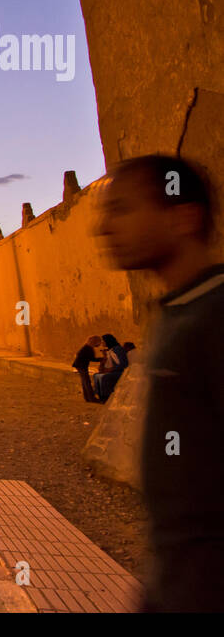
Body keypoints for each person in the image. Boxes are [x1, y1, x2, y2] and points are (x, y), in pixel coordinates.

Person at [94, 154, 223, 613]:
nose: (104, 229)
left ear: (183, 218)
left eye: (123, 209)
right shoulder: (178, 312)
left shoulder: (214, 316)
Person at [93, 334, 135, 403]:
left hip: (120, 371)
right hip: (114, 370)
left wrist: (110, 369)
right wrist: (104, 357)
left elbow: (123, 364)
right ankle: (100, 396)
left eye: (103, 341)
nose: (102, 343)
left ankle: (106, 397)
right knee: (96, 375)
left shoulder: (118, 349)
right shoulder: (110, 350)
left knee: (104, 377)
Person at [72, 335, 104, 403]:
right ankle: (92, 398)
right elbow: (92, 359)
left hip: (80, 365)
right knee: (87, 382)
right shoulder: (88, 348)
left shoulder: (86, 347)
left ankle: (87, 398)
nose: (99, 344)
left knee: (85, 382)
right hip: (81, 366)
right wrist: (102, 359)